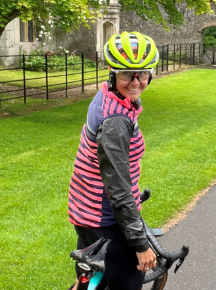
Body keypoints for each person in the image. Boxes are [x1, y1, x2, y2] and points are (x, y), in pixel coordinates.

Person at [68, 32, 159, 290]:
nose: (135, 81)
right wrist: (140, 245)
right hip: (106, 218)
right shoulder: (116, 121)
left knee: (88, 281)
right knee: (127, 283)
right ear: (112, 73)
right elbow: (118, 189)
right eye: (125, 74)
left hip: (84, 209)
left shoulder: (107, 96)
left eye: (141, 73)